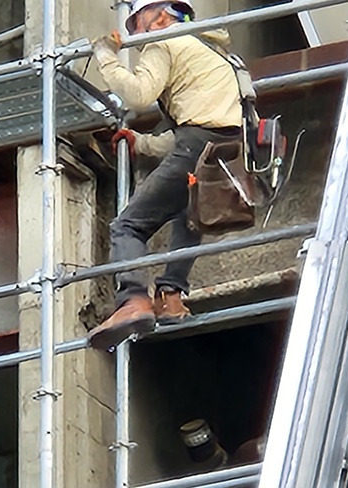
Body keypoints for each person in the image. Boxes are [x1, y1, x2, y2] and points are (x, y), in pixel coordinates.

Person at [88, 0, 243, 350]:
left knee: (127, 226)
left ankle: (132, 301)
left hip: (196, 146)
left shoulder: (166, 40)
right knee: (188, 216)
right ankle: (171, 297)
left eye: (137, 26)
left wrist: (105, 53)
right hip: (226, 151)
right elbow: (200, 123)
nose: (136, 39)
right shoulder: (212, 50)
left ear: (159, 16)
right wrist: (141, 143)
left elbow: (139, 95)